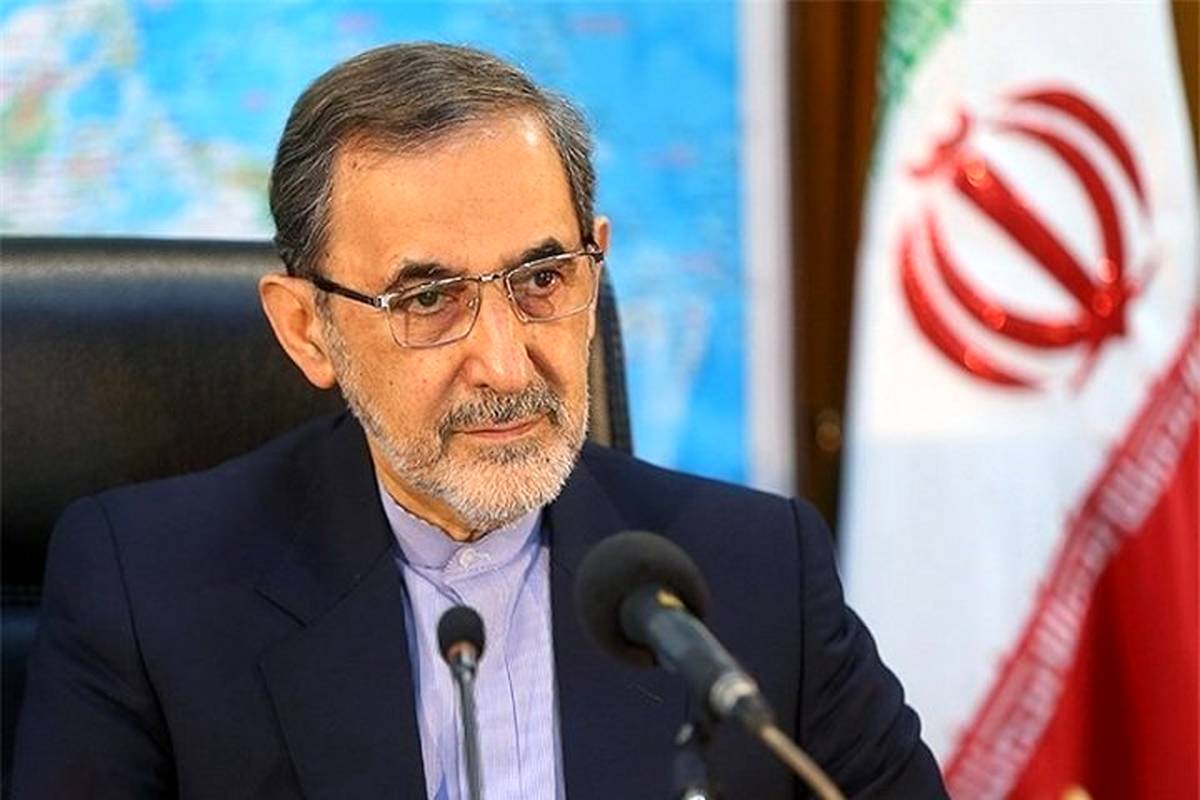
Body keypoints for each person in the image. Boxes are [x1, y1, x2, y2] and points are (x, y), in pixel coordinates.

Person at [12, 43, 947, 799]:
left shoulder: (758, 573)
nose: (505, 363)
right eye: (428, 299)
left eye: (542, 279)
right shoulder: (147, 593)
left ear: (594, 266)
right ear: (307, 330)